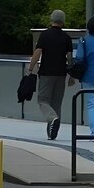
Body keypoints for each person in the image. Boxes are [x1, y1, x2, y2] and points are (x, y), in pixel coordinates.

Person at [27, 9, 72, 140]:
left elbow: (38, 52)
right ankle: (52, 132)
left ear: (51, 19)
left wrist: (30, 68)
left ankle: (52, 119)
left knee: (43, 101)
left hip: (46, 73)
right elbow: (69, 58)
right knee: (56, 103)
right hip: (61, 74)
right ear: (63, 22)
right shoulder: (66, 37)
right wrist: (72, 76)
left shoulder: (45, 35)